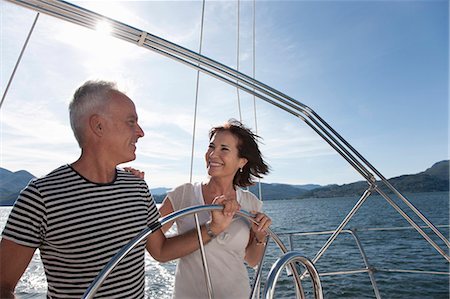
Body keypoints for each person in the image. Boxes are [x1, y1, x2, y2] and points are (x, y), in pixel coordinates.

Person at [0, 80, 239, 298]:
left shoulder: (136, 187)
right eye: (131, 122)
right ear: (99, 126)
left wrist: (213, 228)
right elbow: (3, 285)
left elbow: (161, 250)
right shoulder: (40, 196)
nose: (141, 132)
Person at [159, 119, 272, 299]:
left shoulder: (251, 203)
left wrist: (259, 237)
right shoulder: (182, 195)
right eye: (211, 147)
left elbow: (251, 260)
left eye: (223, 149)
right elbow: (153, 246)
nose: (212, 154)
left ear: (241, 161)